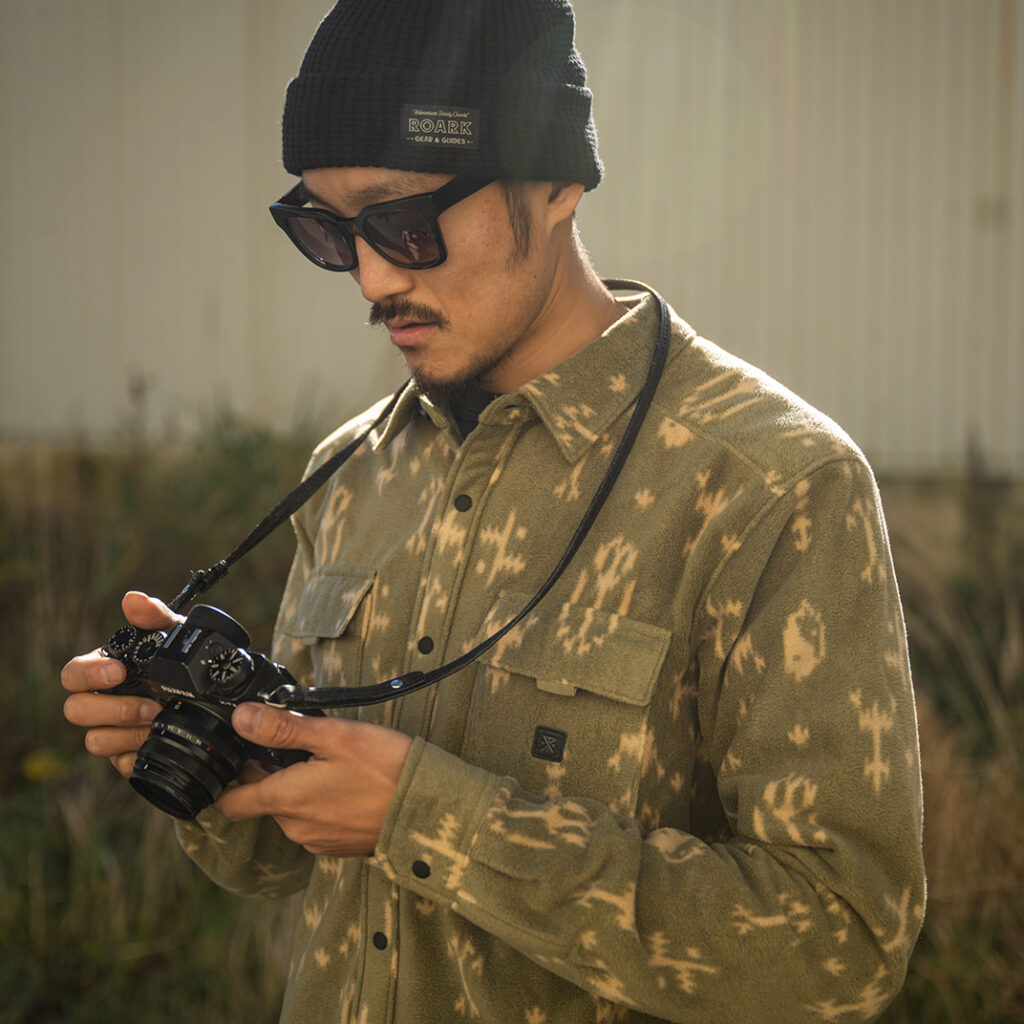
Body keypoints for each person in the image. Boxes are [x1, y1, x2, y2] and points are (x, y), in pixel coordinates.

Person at [62, 1, 926, 1021]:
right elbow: (279, 866)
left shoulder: (770, 484)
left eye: (404, 223)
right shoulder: (352, 470)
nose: (374, 278)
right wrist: (208, 747)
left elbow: (840, 944)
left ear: (556, 182)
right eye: (328, 230)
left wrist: (433, 821)